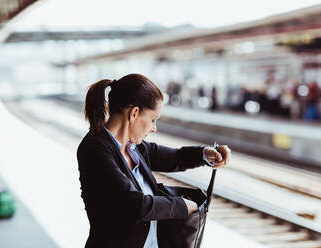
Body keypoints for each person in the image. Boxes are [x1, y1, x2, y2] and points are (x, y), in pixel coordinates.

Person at [77, 74, 231, 248]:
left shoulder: (134, 148)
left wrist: (206, 154)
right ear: (134, 113)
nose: (154, 128)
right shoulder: (95, 149)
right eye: (152, 119)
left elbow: (175, 157)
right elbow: (133, 204)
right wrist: (181, 205)